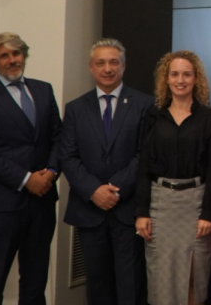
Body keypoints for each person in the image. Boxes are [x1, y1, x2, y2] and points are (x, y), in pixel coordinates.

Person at [0, 32, 62, 305]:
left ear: (24, 56)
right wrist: (26, 179)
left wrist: (51, 172)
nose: (12, 60)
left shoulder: (43, 90)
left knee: (35, 282)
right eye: (4, 56)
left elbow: (58, 138)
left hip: (42, 202)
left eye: (16, 54)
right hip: (2, 204)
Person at [60, 38, 150, 305]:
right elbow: (68, 156)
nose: (107, 68)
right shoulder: (76, 108)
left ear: (123, 66)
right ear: (91, 67)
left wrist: (114, 189)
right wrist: (94, 191)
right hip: (90, 210)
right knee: (97, 284)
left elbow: (144, 155)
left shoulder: (144, 104)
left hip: (127, 208)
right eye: (101, 63)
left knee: (130, 282)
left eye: (113, 62)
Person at [135, 50, 211, 305]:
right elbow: (144, 166)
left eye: (186, 74)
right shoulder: (153, 116)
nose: (180, 79)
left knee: (194, 276)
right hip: (160, 206)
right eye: (174, 74)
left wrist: (208, 213)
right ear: (166, 79)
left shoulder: (209, 117)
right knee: (160, 278)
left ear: (196, 79)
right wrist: (142, 211)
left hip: (195, 206)